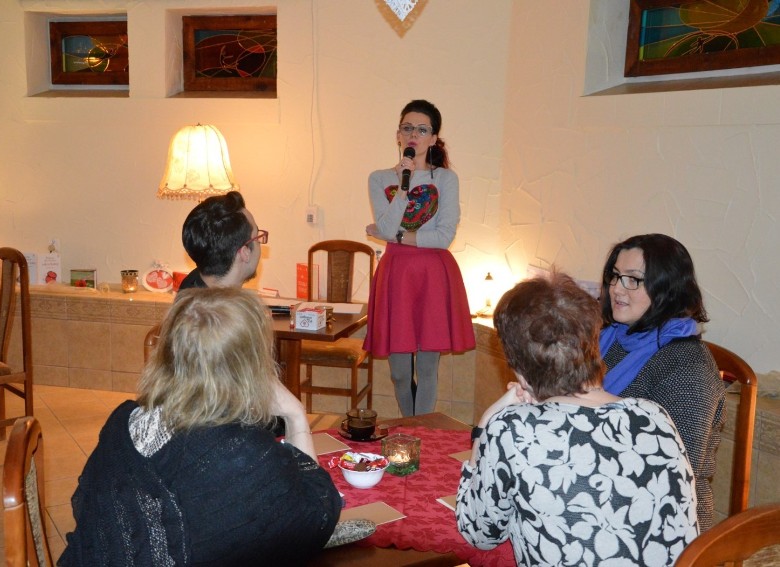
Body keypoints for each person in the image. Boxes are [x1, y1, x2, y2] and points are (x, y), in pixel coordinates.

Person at [59, 288, 342, 566]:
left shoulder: (122, 422)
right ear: (251, 366)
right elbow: (314, 519)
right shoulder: (241, 453)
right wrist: (295, 415)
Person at [457, 273, 699, 566]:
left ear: (518, 368)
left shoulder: (512, 429)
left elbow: (480, 533)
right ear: (592, 343)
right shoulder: (655, 417)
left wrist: (486, 422)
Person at [599, 233, 726, 532]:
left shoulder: (687, 367)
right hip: (609, 494)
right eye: (615, 276)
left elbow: (676, 475)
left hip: (666, 526)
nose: (617, 288)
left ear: (667, 288)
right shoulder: (614, 337)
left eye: (633, 279)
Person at [364, 99, 475, 416]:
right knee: (399, 372)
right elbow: (384, 225)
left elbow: (443, 237)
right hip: (396, 273)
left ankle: (420, 435)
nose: (414, 134)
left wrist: (396, 236)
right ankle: (408, 426)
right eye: (408, 127)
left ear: (434, 138)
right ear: (398, 135)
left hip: (433, 274)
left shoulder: (445, 180)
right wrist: (403, 187)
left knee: (427, 368)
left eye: (422, 129)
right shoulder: (379, 178)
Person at [179, 190, 266, 291]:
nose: (259, 243)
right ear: (245, 252)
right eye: (257, 237)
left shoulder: (191, 285)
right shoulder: (221, 306)